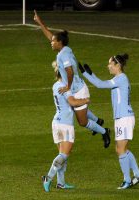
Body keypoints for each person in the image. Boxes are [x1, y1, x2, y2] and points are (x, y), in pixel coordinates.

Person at [34, 10, 110, 148]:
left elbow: (69, 71)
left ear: (60, 43)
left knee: (82, 122)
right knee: (75, 108)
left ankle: (105, 131)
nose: (51, 42)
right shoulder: (65, 50)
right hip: (76, 88)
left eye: (53, 41)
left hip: (78, 90)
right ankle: (98, 120)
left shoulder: (63, 55)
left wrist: (68, 86)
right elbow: (50, 37)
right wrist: (40, 23)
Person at [79, 54, 139, 189]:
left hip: (124, 118)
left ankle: (127, 180)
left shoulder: (121, 79)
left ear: (117, 65)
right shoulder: (119, 79)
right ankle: (138, 175)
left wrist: (86, 73)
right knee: (123, 149)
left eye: (110, 64)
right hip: (122, 118)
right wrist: (90, 75)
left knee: (120, 150)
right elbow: (101, 83)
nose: (108, 66)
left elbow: (100, 85)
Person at [42, 63, 90, 192]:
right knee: (64, 154)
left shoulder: (56, 85)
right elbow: (73, 102)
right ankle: (48, 178)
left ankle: (61, 183)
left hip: (56, 122)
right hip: (65, 124)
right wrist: (85, 100)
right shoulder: (65, 87)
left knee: (62, 154)